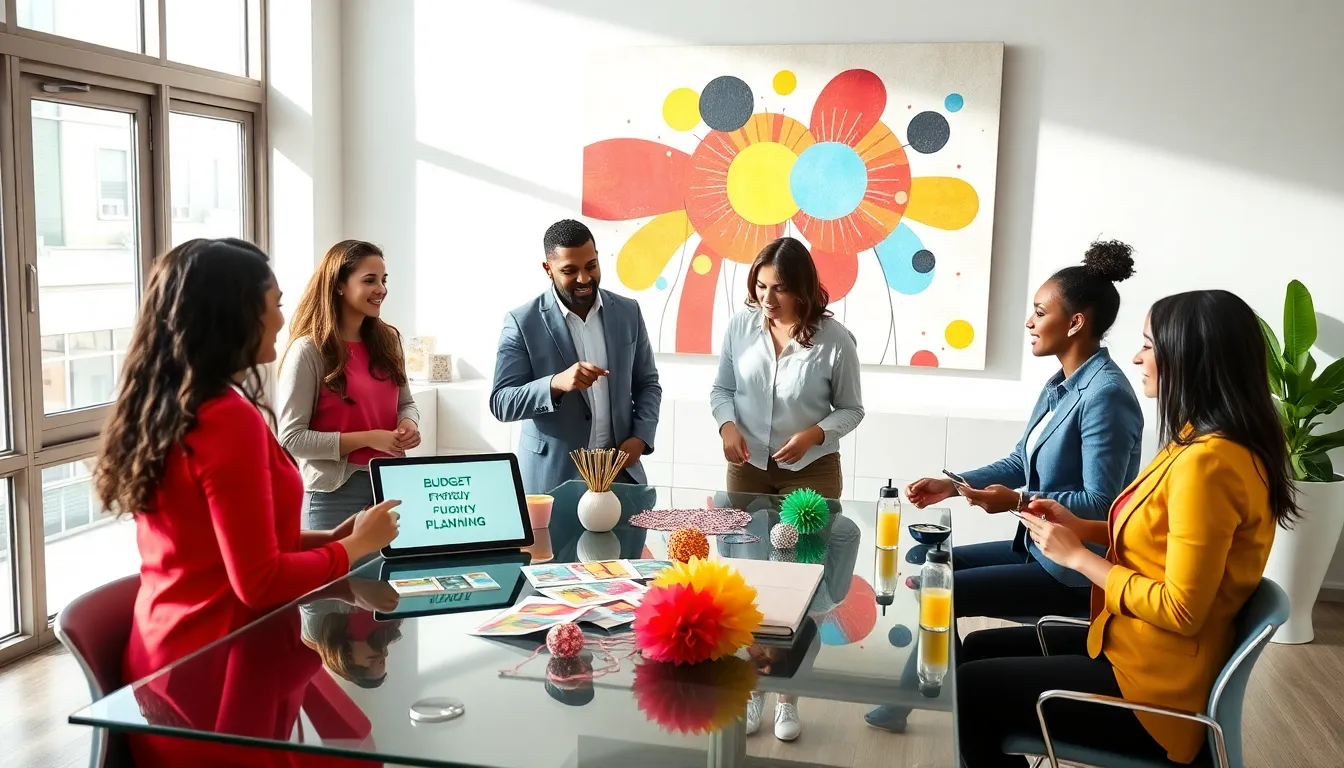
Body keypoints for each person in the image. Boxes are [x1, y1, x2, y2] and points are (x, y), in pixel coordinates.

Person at [93, 238, 401, 767]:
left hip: (179, 657)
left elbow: (220, 546)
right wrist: (350, 550)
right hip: (212, 672)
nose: (282, 319)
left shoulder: (178, 404)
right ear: (236, 315)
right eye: (275, 304)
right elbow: (258, 582)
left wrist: (329, 540)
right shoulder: (227, 418)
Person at [957, 290, 1295, 767]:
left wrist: (1077, 557)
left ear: (1190, 357)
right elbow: (1157, 538)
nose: (1137, 357)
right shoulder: (1201, 443)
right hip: (1131, 646)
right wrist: (1081, 527)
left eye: (1149, 346)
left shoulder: (1209, 464)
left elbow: (1181, 610)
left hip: (1154, 693)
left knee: (969, 689)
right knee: (977, 650)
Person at [867, 240, 1144, 732]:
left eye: (1040, 312)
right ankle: (933, 694)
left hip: (1072, 570)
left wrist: (1017, 500)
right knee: (930, 564)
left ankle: (938, 698)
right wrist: (954, 485)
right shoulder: (1062, 384)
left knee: (941, 588)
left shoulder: (1106, 395)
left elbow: (1102, 504)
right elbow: (1020, 460)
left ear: (1076, 322)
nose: (1029, 322)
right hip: (1035, 548)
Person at [710, 236, 864, 741]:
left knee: (801, 586)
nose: (768, 298)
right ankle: (752, 688)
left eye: (779, 288)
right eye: (761, 286)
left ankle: (788, 695)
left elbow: (852, 409)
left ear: (803, 289)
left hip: (811, 472)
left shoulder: (835, 340)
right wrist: (726, 426)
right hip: (747, 467)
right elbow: (722, 389)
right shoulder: (740, 327)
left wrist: (816, 434)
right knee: (749, 583)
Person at [490, 219, 662, 494]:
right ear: (548, 269)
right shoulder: (522, 322)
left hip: (620, 475)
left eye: (591, 266)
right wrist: (555, 384)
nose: (584, 279)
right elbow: (502, 403)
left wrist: (641, 437)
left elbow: (648, 384)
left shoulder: (628, 312)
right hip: (552, 480)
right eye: (570, 271)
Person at [278, 240, 421, 532]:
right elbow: (292, 438)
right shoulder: (308, 351)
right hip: (335, 496)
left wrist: (409, 423)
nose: (381, 289)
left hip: (391, 486)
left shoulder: (389, 340)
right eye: (369, 280)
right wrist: (369, 438)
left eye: (383, 280)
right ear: (340, 285)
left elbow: (406, 403)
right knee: (339, 565)